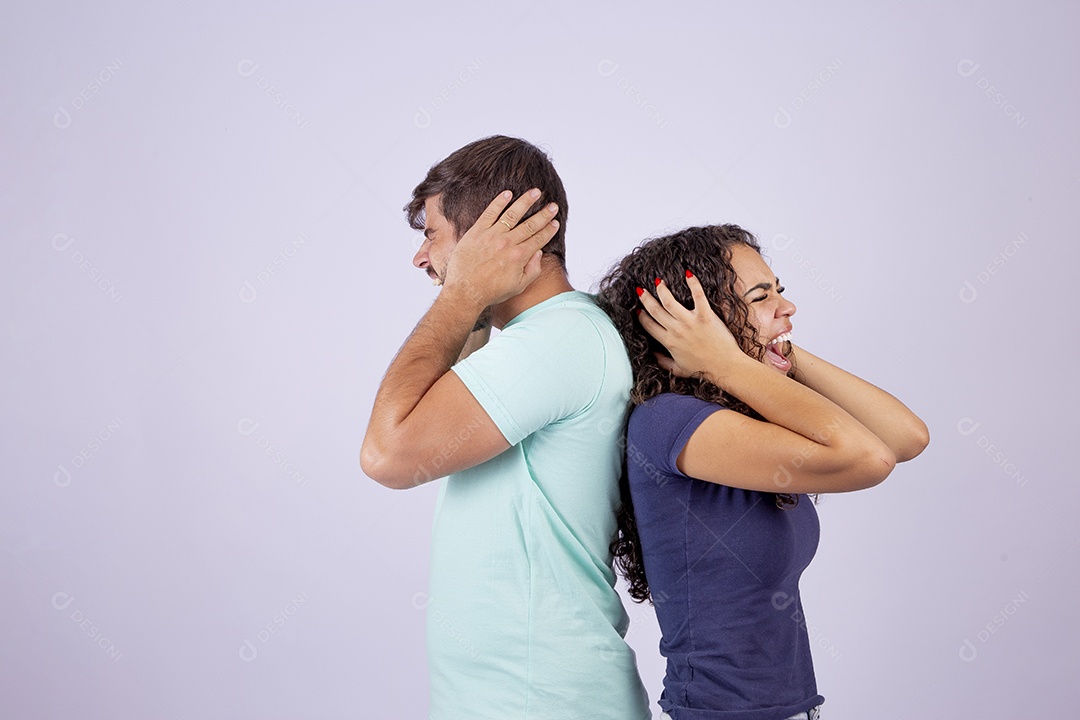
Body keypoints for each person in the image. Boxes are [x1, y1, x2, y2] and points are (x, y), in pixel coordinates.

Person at [360, 136, 650, 719]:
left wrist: (465, 289)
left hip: (541, 702)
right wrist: (470, 294)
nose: (421, 259)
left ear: (495, 236)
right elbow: (444, 391)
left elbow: (388, 453)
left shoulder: (558, 340)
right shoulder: (544, 339)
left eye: (432, 235)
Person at [596, 224, 929, 720]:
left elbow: (906, 438)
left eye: (781, 291)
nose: (787, 307)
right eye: (760, 296)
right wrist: (728, 360)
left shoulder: (741, 415)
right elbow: (869, 459)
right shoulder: (669, 421)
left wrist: (766, 347)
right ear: (699, 319)